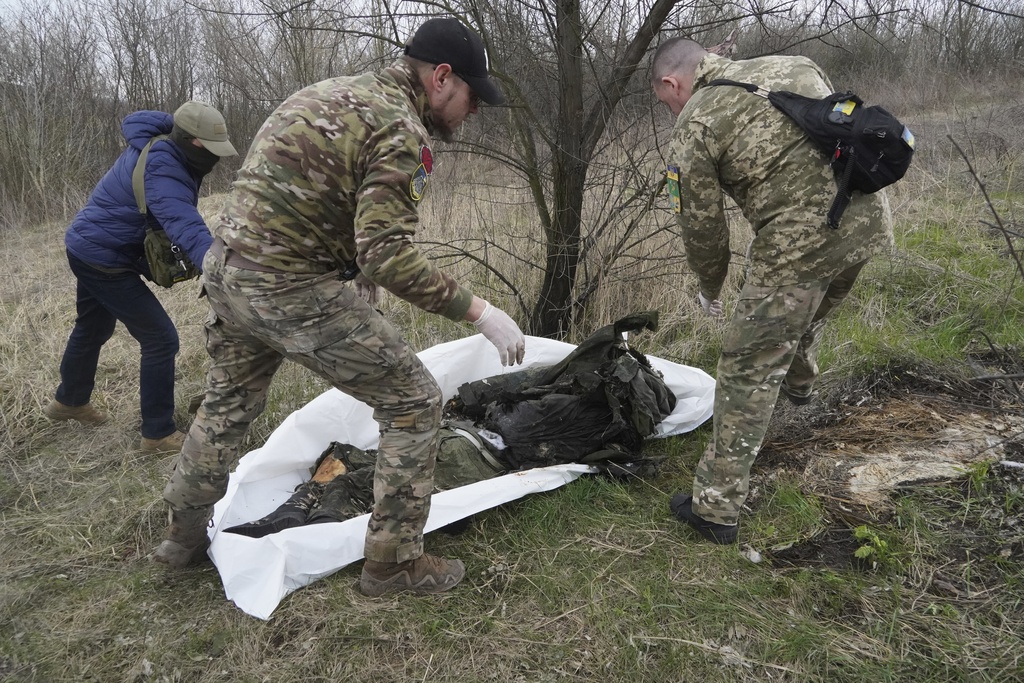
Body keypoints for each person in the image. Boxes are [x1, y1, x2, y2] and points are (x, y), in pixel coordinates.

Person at [154, 17, 527, 599]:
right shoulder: (403, 131)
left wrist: (349, 266)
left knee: (226, 406)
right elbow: (388, 255)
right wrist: (478, 311)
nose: (471, 111)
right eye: (470, 97)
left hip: (228, 271)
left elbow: (304, 197)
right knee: (414, 402)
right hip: (287, 287)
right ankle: (393, 564)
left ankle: (180, 539)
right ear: (441, 77)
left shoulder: (325, 92)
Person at [650, 38, 893, 544]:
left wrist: (708, 286)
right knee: (800, 315)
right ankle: (800, 386)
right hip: (868, 219)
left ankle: (714, 509)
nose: (670, 107)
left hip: (798, 245)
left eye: (663, 98)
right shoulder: (793, 63)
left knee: (746, 367)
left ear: (673, 83)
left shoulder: (694, 120)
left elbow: (702, 225)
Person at [44, 102, 237, 453]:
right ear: (193, 143)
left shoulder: (163, 143)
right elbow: (185, 225)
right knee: (161, 338)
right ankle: (158, 433)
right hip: (103, 257)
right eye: (211, 151)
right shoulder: (164, 167)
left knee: (92, 328)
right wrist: (221, 270)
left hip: (90, 243)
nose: (215, 159)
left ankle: (69, 401)